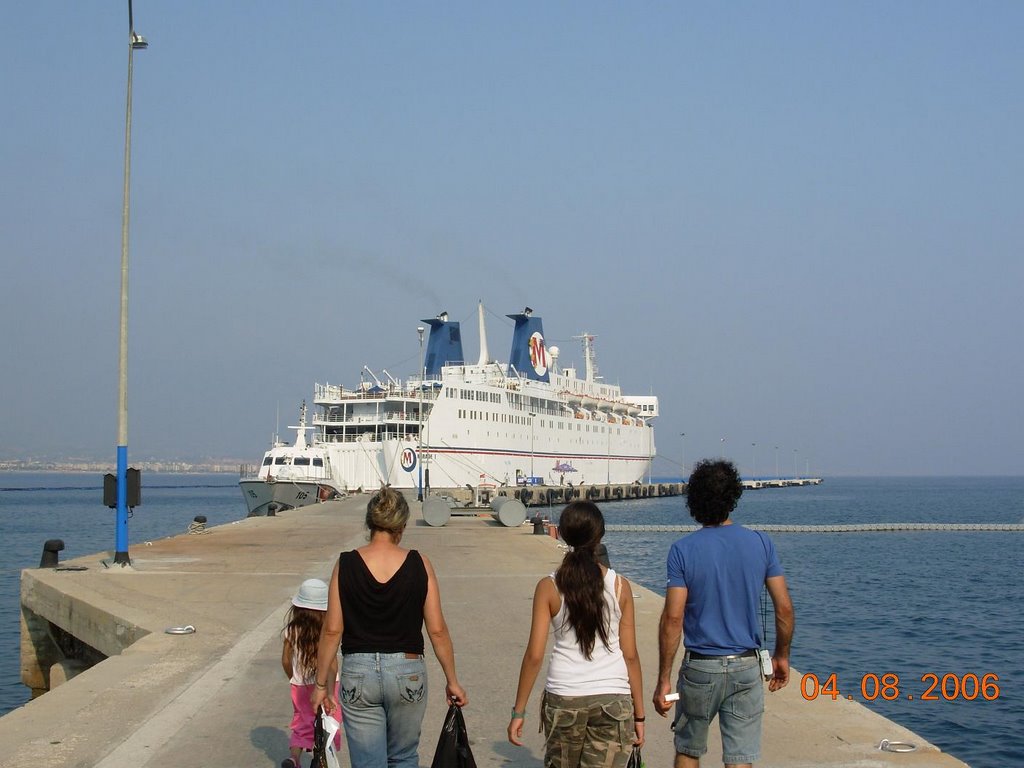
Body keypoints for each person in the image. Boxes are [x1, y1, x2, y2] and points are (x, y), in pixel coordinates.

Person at [312, 486, 468, 768]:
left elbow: (332, 630)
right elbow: (437, 631)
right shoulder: (420, 564)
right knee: (404, 758)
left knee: (368, 763)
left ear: (369, 523)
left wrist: (321, 685)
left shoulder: (345, 564)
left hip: (358, 674)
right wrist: (452, 680)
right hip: (407, 671)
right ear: (402, 525)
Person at [653, 459, 795, 768]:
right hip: (746, 666)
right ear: (732, 497)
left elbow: (673, 618)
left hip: (700, 668)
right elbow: (783, 607)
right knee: (741, 757)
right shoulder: (761, 543)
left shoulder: (682, 550)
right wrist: (782, 655)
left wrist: (664, 679)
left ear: (695, 501)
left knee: (689, 750)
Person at [508, 500, 645, 768]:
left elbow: (534, 656)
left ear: (560, 533)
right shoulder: (620, 587)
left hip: (564, 695)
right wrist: (639, 715)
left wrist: (519, 711)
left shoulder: (548, 587)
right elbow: (630, 656)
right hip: (612, 697)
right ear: (600, 535)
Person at [281, 579, 340, 768]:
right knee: (329, 720)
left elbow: (285, 660)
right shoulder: (327, 630)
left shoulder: (293, 629)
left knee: (302, 722)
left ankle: (294, 758)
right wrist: (330, 691)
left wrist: (294, 677)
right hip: (327, 683)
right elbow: (332, 665)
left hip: (300, 685)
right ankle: (323, 760)